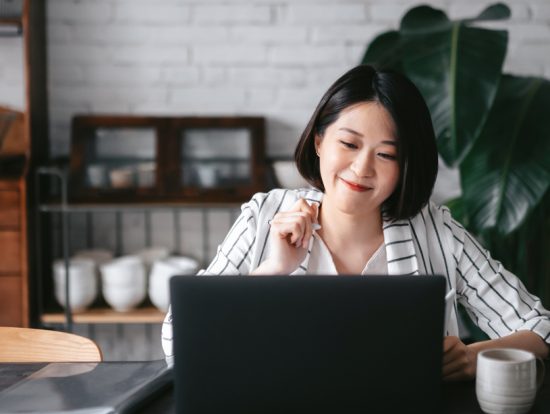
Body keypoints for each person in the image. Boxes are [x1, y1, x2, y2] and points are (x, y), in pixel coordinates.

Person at [162, 64, 550, 380]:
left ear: (404, 167)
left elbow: (540, 329)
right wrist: (274, 269)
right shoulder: (265, 216)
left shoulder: (436, 230)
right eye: (348, 145)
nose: (361, 168)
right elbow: (179, 338)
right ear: (318, 142)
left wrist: (471, 356)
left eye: (386, 155)